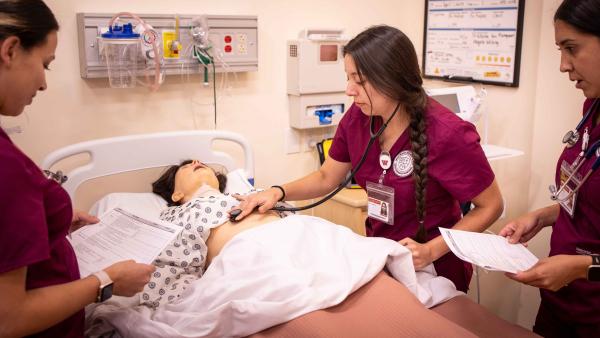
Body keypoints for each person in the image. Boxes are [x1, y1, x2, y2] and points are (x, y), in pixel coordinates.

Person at [235, 25, 503, 292]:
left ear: (394, 79)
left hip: (434, 268)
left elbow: (490, 206)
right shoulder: (358, 118)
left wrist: (431, 251)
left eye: (360, 81)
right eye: (348, 77)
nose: (349, 90)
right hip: (380, 257)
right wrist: (278, 192)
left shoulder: (448, 133)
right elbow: (327, 177)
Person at [0, 1, 154, 337]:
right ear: (10, 50)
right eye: (45, 64)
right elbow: (7, 319)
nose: (43, 84)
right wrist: (106, 282)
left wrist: (46, 224)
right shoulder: (6, 167)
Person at [499, 0, 600, 336]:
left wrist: (583, 267)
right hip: (561, 302)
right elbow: (587, 198)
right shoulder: (592, 107)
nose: (563, 66)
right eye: (560, 50)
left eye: (571, 48)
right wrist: (541, 217)